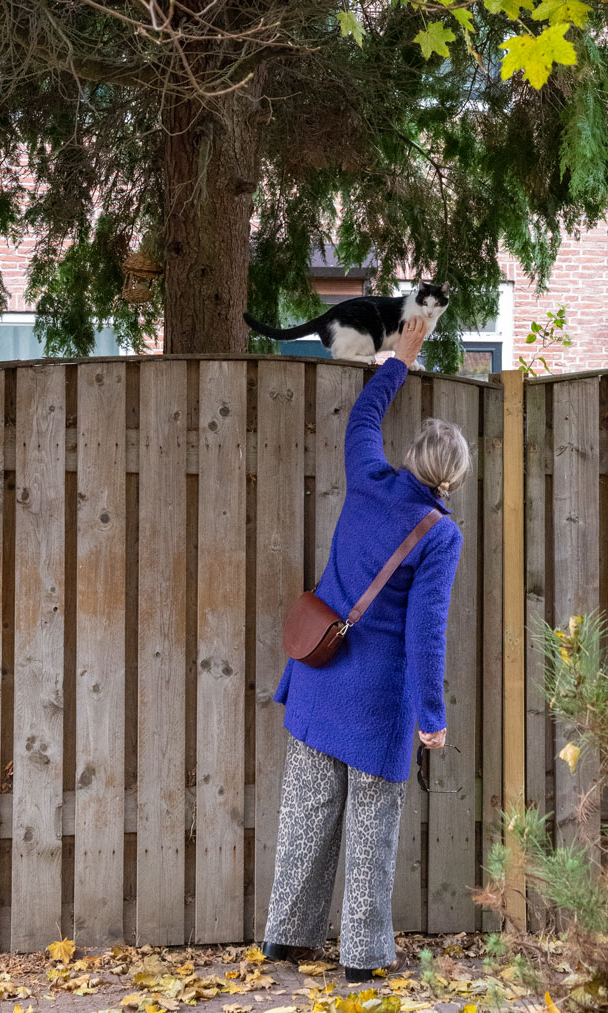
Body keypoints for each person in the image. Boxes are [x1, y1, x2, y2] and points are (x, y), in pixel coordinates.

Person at [261, 316, 471, 983]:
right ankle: (361, 957)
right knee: (371, 832)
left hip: (320, 678)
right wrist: (430, 717)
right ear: (452, 479)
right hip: (378, 700)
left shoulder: (367, 477)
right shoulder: (438, 534)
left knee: (304, 815)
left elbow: (361, 418)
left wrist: (399, 360)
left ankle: (284, 941)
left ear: (409, 459)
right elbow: (424, 630)